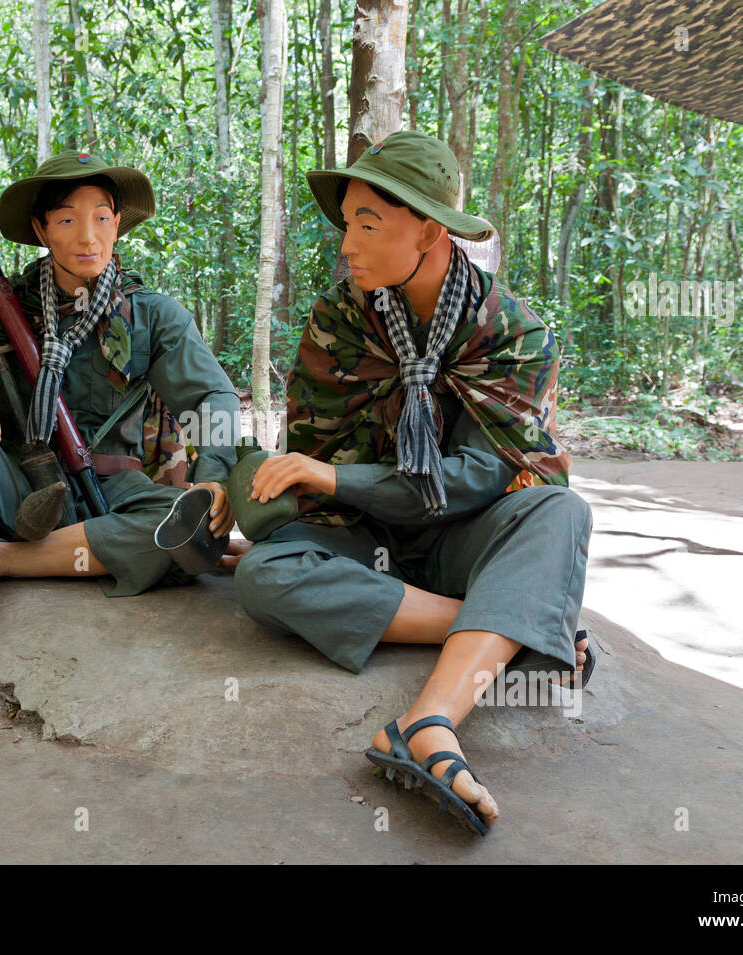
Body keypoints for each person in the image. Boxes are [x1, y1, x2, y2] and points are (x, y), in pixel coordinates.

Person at [232, 131, 594, 834]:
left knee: (560, 513)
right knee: (262, 575)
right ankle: (512, 623)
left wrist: (335, 476)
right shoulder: (340, 318)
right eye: (347, 225)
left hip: (464, 538)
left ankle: (428, 721)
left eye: (368, 224)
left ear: (429, 230)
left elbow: (473, 483)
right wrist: (283, 486)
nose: (348, 246)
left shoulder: (514, 333)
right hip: (367, 537)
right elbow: (318, 448)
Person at [0, 149, 243, 692]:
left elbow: (213, 397)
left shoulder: (150, 313)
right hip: (15, 484)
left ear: (118, 222)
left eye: (100, 217)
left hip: (113, 491)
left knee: (185, 538)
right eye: (67, 219)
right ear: (42, 230)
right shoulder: (3, 306)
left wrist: (212, 477)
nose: (87, 236)